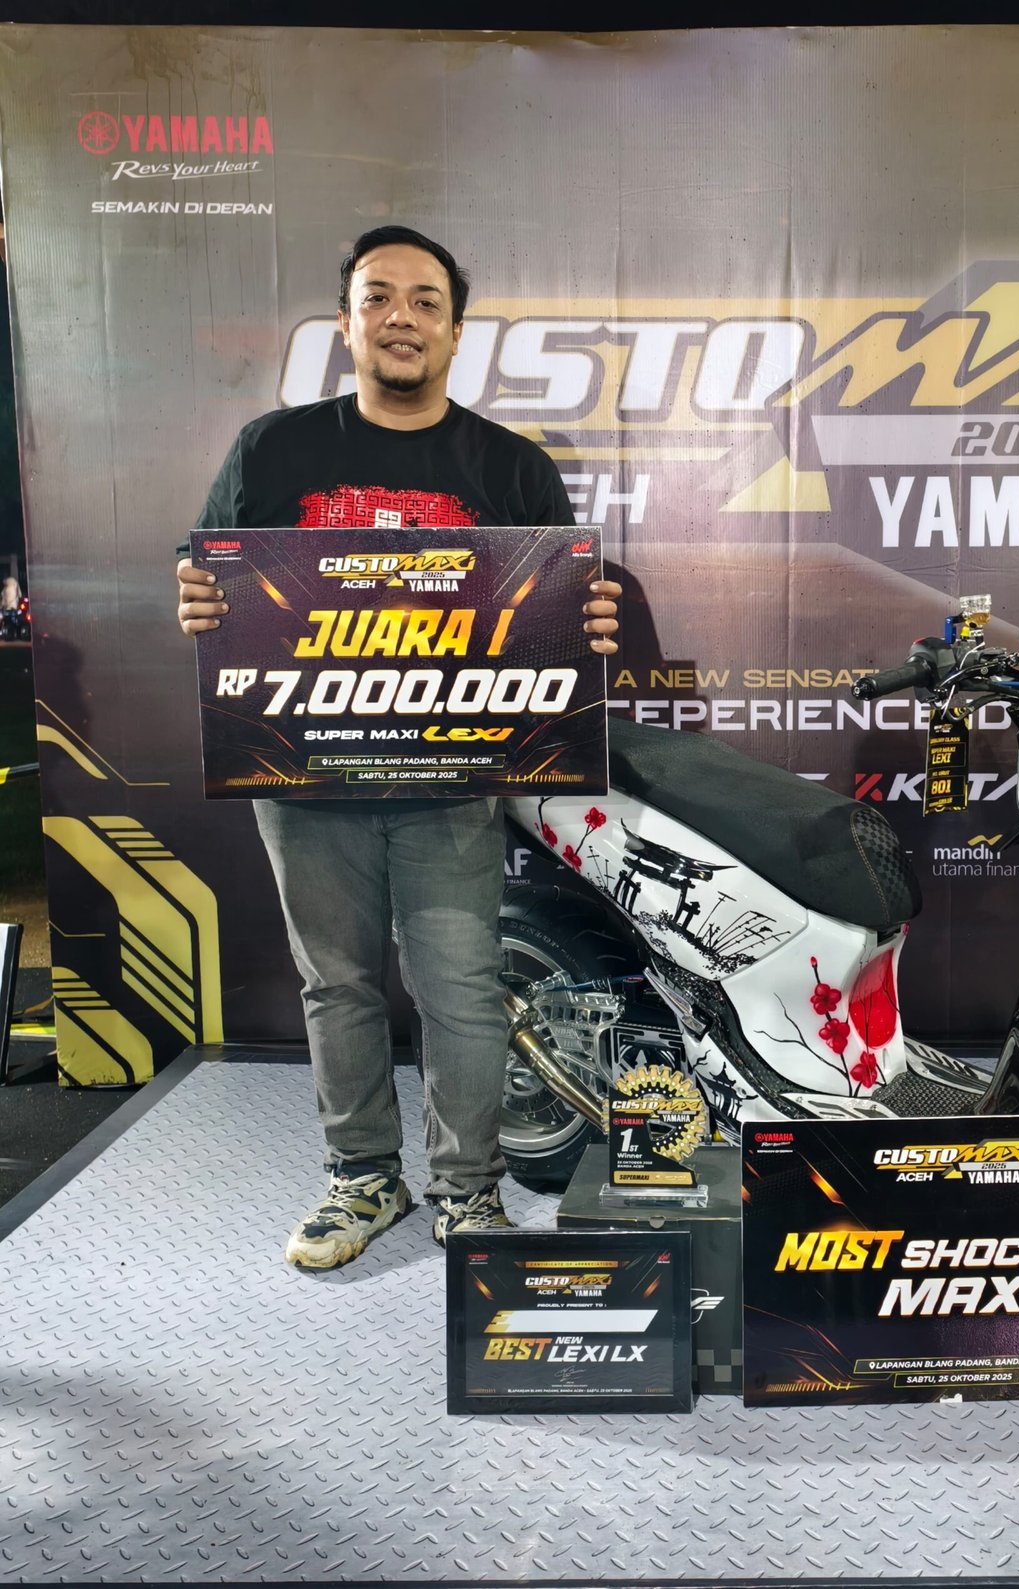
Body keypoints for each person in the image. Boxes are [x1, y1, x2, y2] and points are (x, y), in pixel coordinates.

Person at [176, 226, 621, 1269]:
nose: (401, 317)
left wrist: (585, 624)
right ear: (347, 323)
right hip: (304, 771)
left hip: (450, 780)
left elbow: (555, 614)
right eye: (378, 297)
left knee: (459, 987)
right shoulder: (270, 449)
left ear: (455, 331)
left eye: (425, 300)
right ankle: (362, 1179)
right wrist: (194, 600)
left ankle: (467, 1191)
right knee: (336, 983)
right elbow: (208, 578)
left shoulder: (510, 466)